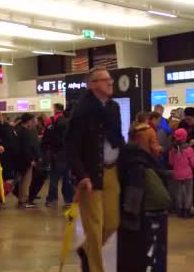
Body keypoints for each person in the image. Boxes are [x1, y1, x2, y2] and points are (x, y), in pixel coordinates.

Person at [65, 66, 124, 272]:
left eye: (110, 79)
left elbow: (116, 139)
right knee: (94, 227)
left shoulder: (113, 107)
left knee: (112, 223)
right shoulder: (82, 111)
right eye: (104, 79)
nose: (110, 82)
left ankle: (87, 249)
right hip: (91, 176)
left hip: (111, 172)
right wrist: (81, 175)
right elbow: (71, 147)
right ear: (92, 85)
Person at [44, 103, 74, 208]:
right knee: (66, 177)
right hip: (67, 154)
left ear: (55, 109)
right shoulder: (68, 121)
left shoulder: (50, 121)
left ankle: (52, 199)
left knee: (54, 178)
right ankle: (68, 199)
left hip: (55, 154)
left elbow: (45, 138)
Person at [178, 107, 194, 213]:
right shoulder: (182, 124)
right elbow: (177, 138)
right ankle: (185, 205)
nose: (188, 121)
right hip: (184, 159)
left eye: (190, 119)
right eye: (186, 119)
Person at [170, 128, 194, 218]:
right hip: (188, 175)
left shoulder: (172, 150)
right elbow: (193, 164)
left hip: (177, 174)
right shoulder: (189, 149)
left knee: (178, 192)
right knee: (189, 192)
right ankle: (187, 210)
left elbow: (171, 163)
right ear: (185, 137)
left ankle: (180, 209)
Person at [15, 113, 41, 208]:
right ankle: (23, 200)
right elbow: (27, 148)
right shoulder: (26, 132)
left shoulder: (17, 130)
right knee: (26, 180)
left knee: (22, 180)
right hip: (26, 160)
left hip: (19, 159)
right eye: (31, 120)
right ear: (28, 121)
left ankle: (21, 199)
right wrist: (31, 159)